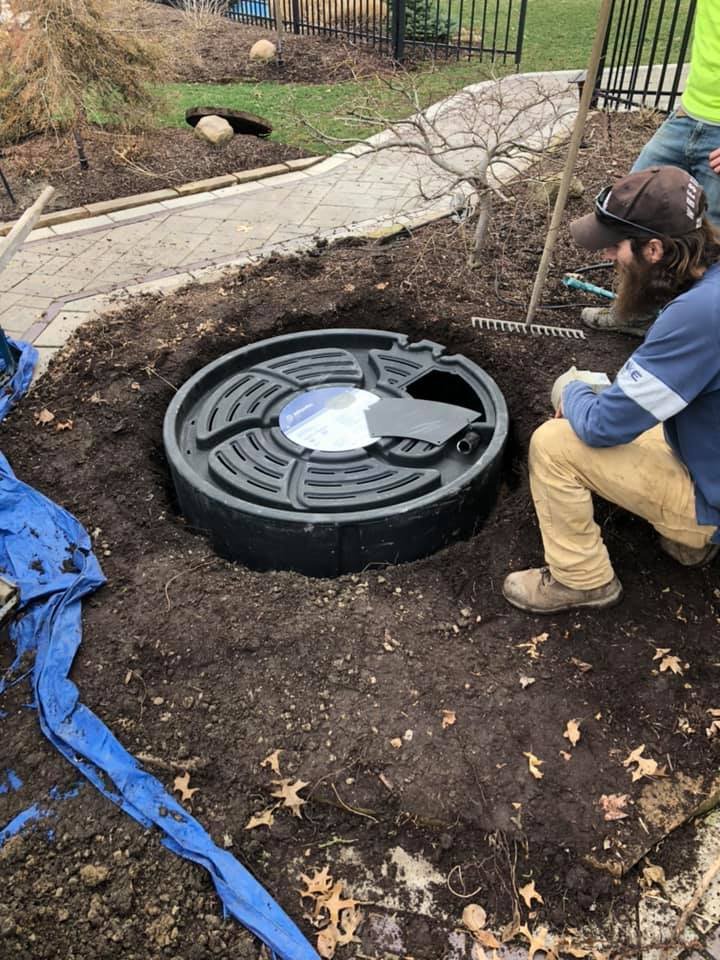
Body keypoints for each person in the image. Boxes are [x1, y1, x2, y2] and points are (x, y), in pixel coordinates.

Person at [503, 165, 720, 614]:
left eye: (617, 246)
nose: (607, 256)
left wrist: (572, 390)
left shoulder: (699, 316)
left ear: (655, 249)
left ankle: (582, 580)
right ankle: (692, 543)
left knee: (554, 443)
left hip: (713, 499)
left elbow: (603, 428)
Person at [582, 0, 720, 336]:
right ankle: (635, 313)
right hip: (689, 115)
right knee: (631, 212)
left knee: (711, 244)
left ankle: (686, 336)